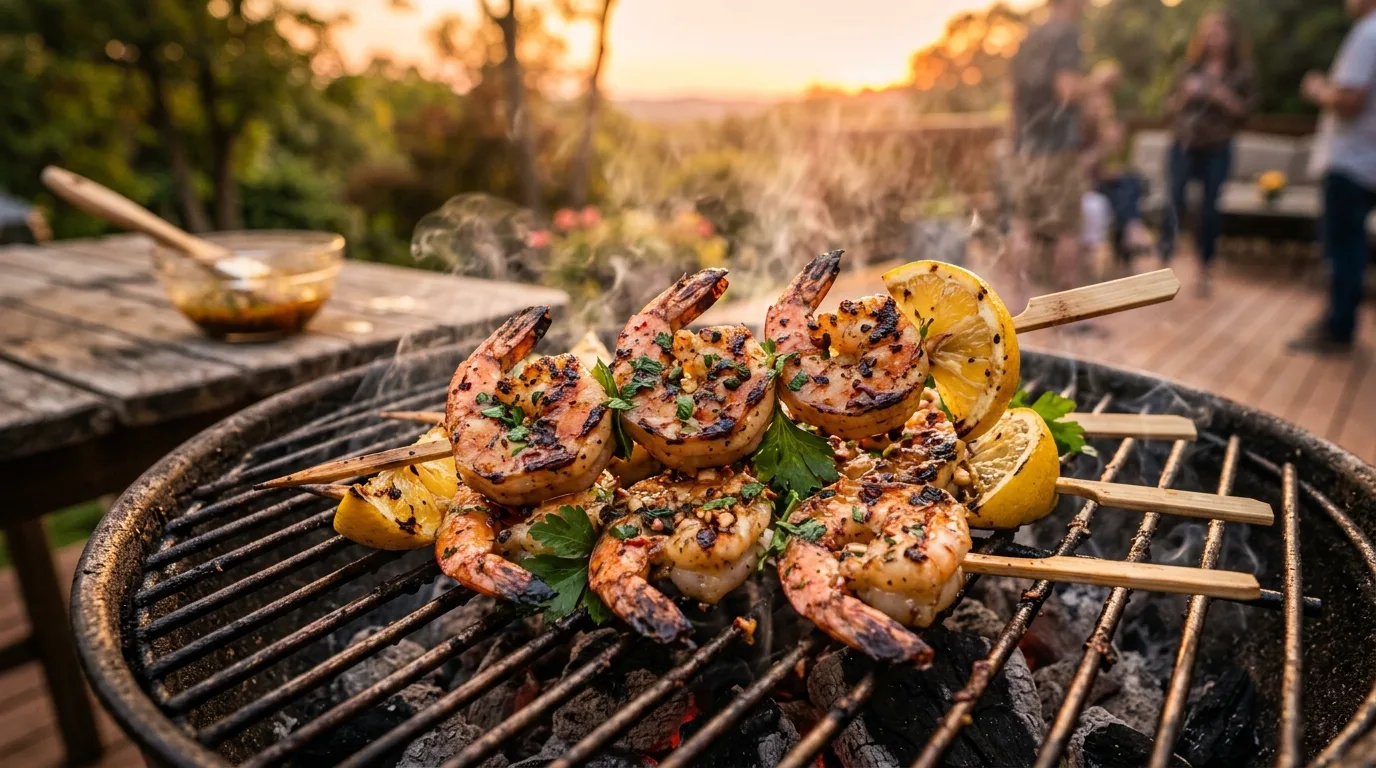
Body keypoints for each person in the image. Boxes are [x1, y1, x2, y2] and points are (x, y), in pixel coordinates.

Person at [1007, 0, 1110, 295]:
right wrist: (1097, 83)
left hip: (1025, 148)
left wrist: (1017, 145)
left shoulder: (1029, 37)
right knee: (1068, 229)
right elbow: (1067, 89)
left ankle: (1017, 301)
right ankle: (1066, 311)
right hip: (1058, 148)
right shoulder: (1066, 33)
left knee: (1023, 225)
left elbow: (1013, 99)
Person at [1290, 0, 1376, 353]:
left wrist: (1318, 90)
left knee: (1343, 248)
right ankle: (1339, 321)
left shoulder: (1368, 32)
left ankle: (1338, 327)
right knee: (1350, 247)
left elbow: (1351, 99)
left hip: (1350, 163)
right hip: (1367, 163)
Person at [1160, 12, 1255, 296]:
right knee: (1174, 201)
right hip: (1183, 145)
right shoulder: (1188, 68)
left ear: (1230, 37)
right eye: (1209, 31)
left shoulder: (1242, 71)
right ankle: (1162, 262)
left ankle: (1205, 268)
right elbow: (1167, 108)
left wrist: (1221, 96)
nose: (1213, 37)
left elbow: (1247, 112)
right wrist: (1185, 96)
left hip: (1218, 147)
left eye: (1219, 31)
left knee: (1210, 208)